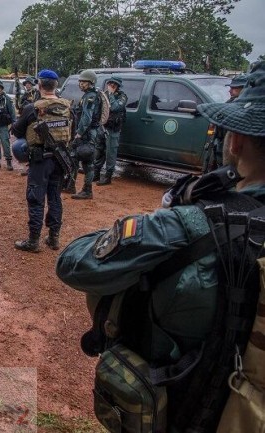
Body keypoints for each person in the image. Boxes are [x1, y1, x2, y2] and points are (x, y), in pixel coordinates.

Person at [56, 62, 265, 433]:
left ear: (234, 140)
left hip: (194, 406)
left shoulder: (198, 223)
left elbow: (75, 263)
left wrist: (165, 214)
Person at [11, 69, 71, 252]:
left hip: (40, 160)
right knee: (55, 198)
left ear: (39, 85)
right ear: (56, 85)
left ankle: (33, 241)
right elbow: (71, 132)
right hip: (60, 160)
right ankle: (54, 238)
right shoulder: (67, 106)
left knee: (35, 198)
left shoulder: (33, 108)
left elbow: (17, 131)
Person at [69, 69, 102, 199]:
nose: (81, 84)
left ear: (91, 83)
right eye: (80, 81)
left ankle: (80, 189)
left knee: (81, 160)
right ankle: (78, 187)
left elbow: (86, 118)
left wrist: (79, 133)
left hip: (87, 134)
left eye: (84, 82)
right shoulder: (90, 95)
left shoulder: (90, 97)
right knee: (83, 160)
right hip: (90, 133)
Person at [210, 74, 248, 169]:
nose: (230, 91)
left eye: (234, 88)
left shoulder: (238, 106)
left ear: (244, 89)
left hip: (230, 157)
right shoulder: (230, 104)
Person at [95, 76, 127, 186]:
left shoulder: (122, 96)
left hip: (113, 129)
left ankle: (107, 176)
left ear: (118, 86)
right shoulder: (103, 94)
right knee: (99, 150)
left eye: (114, 84)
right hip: (102, 126)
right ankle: (96, 173)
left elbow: (114, 107)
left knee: (110, 152)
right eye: (110, 83)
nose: (112, 85)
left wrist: (112, 95)